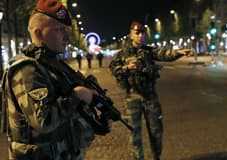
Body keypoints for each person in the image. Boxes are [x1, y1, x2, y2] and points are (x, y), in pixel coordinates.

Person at [0, 0, 110, 159]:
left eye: (66, 30)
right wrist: (77, 96)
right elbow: (44, 121)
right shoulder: (27, 70)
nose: (66, 37)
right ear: (38, 33)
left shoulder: (51, 65)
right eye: (59, 30)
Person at [109, 21, 190, 160]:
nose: (140, 36)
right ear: (131, 34)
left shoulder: (149, 51)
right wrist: (127, 67)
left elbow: (165, 54)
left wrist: (178, 53)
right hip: (132, 97)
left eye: (142, 33)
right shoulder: (122, 54)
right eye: (137, 33)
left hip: (150, 96)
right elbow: (113, 69)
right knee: (135, 133)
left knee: (156, 131)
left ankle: (156, 157)